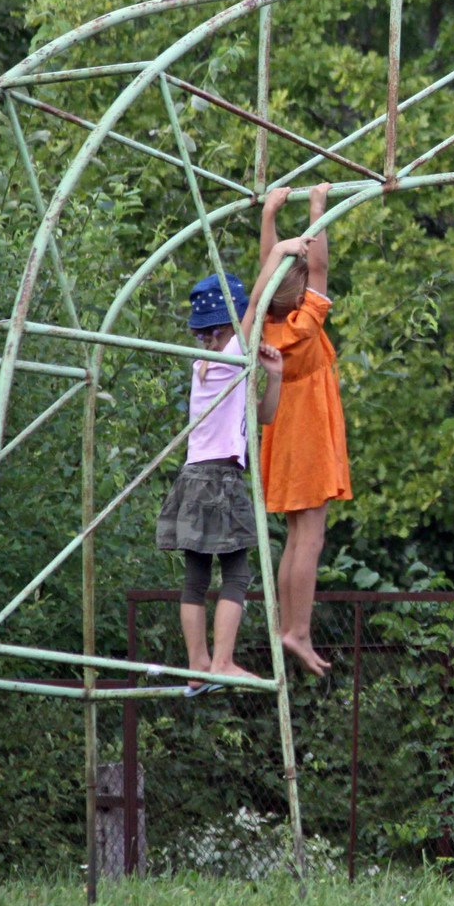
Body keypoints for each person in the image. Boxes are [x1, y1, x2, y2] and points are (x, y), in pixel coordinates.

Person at [156, 271, 298, 696]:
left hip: (194, 478)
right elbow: (257, 299)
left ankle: (198, 666)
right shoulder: (233, 350)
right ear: (230, 326)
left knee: (196, 579)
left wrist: (274, 376)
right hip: (219, 478)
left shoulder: (208, 366)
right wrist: (278, 239)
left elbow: (264, 416)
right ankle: (222, 662)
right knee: (237, 573)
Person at [242, 182, 352, 676]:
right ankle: (297, 630)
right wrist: (316, 208)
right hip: (308, 431)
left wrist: (270, 217)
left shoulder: (265, 327)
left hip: (281, 431)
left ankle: (290, 625)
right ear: (301, 293)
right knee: (310, 538)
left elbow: (270, 275)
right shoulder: (306, 325)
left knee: (295, 534)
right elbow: (322, 268)